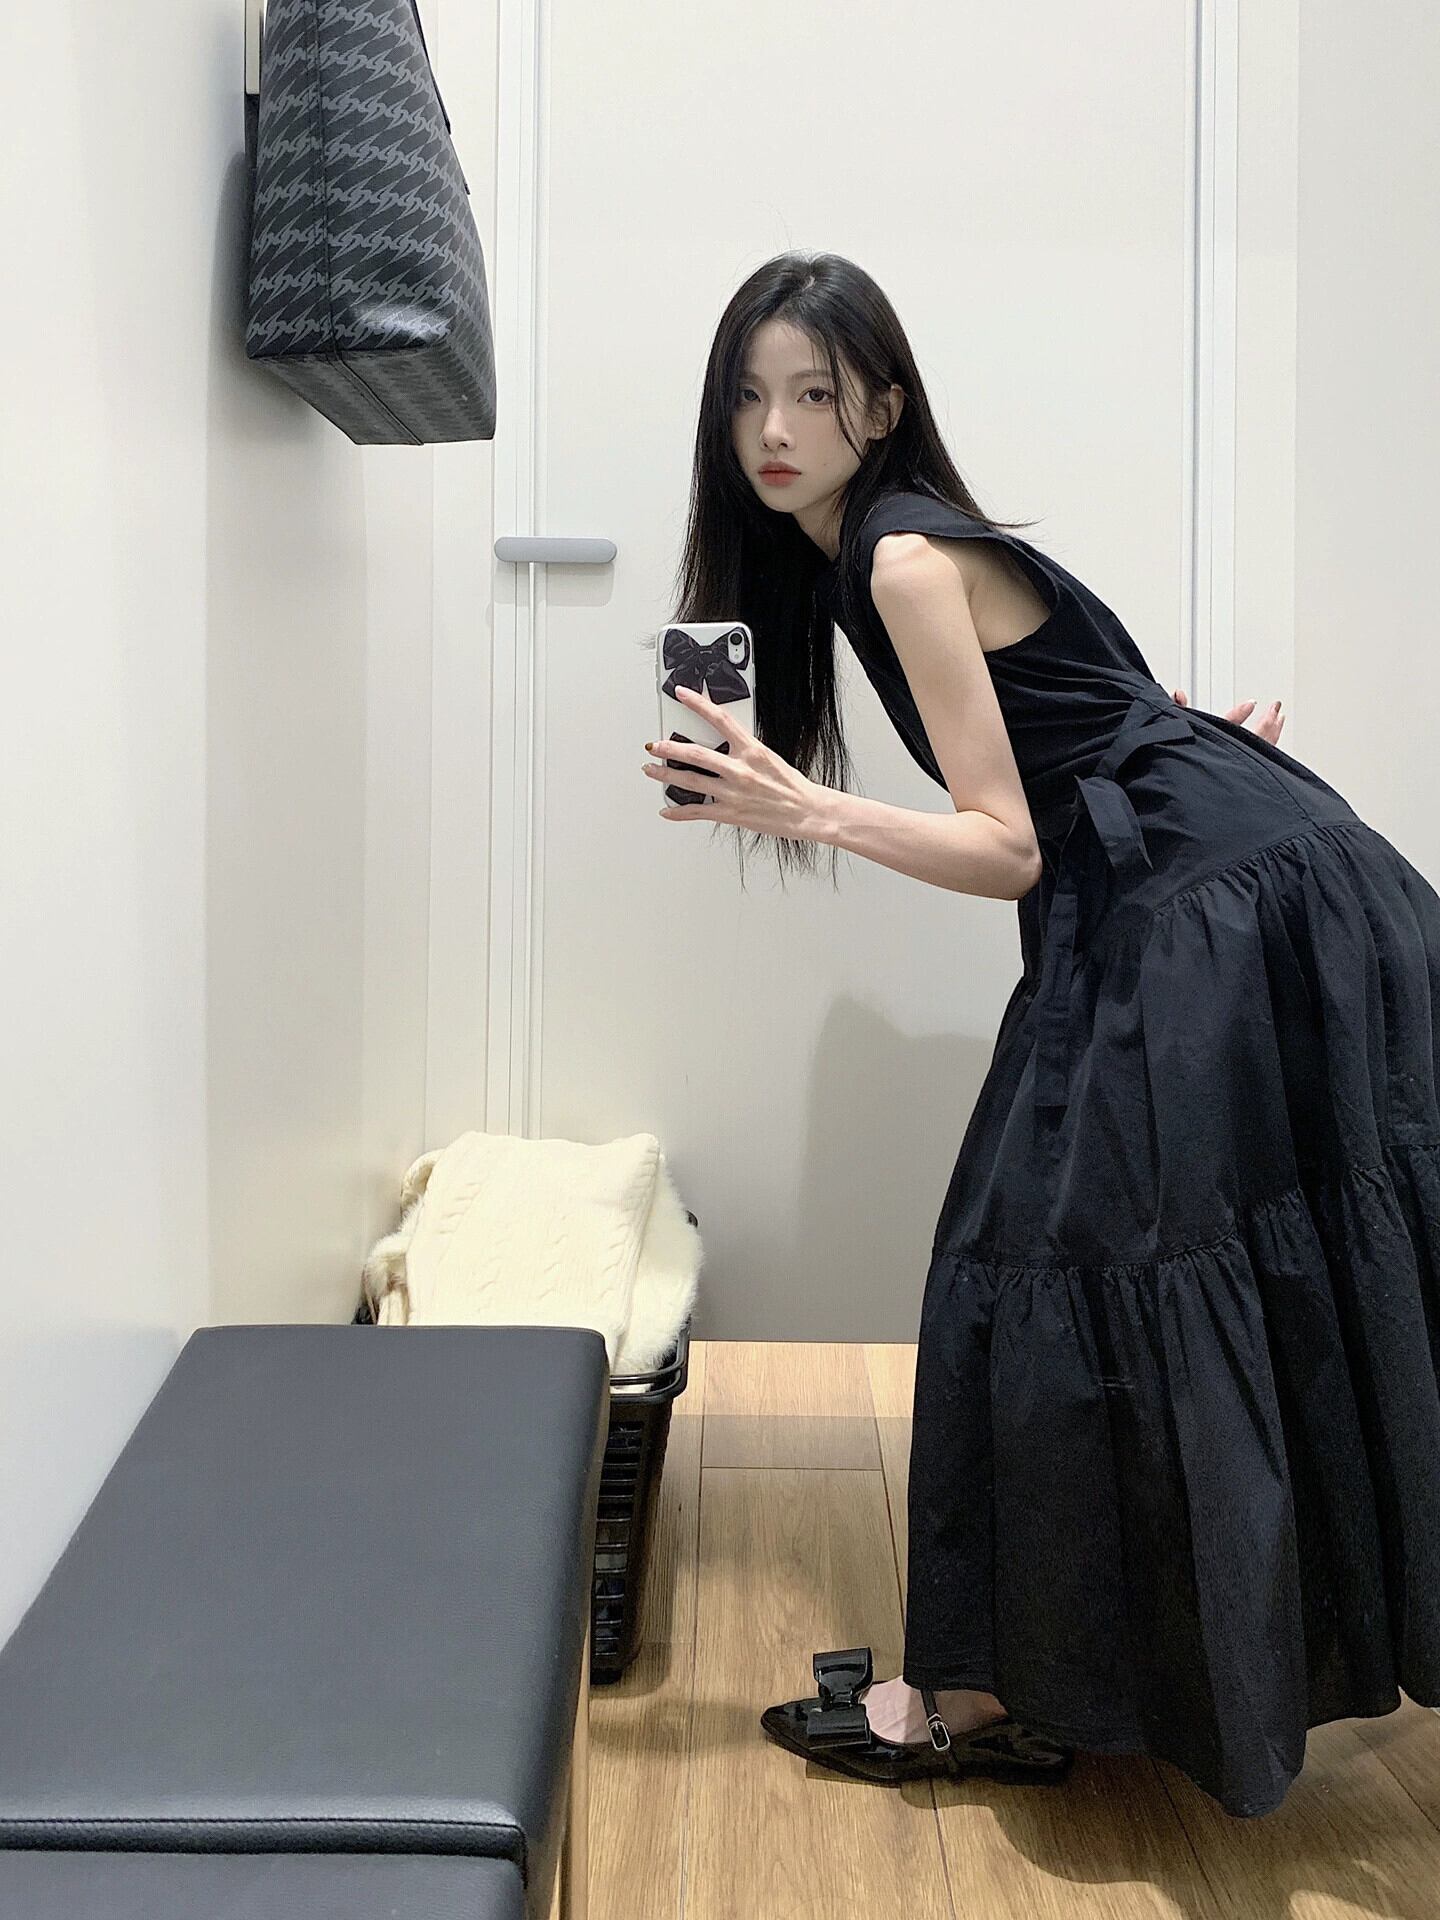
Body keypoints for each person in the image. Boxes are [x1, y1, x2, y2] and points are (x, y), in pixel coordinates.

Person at [641, 252, 1440, 1820]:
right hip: (1204, 879)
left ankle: (993, 1696)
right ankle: (1030, 1684)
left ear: (882, 405)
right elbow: (1095, 710)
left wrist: (803, 808)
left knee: (1045, 1265)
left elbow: (1005, 845)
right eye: (748, 396)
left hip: (1210, 900)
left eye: (814, 393)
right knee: (1103, 1266)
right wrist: (1185, 739)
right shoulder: (867, 554)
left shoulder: (900, 557)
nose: (775, 430)